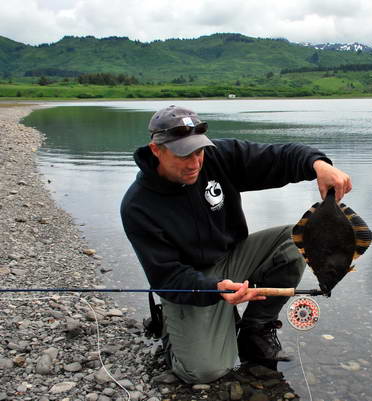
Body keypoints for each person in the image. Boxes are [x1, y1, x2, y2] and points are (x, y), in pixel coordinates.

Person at [120, 105, 351, 383]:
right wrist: (213, 289)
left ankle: (255, 330)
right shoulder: (138, 205)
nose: (195, 163)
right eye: (183, 155)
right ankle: (173, 330)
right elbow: (166, 275)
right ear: (157, 150)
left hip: (232, 257)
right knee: (205, 371)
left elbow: (279, 157)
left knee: (293, 241)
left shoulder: (219, 157)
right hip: (190, 280)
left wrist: (318, 164)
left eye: (198, 151)